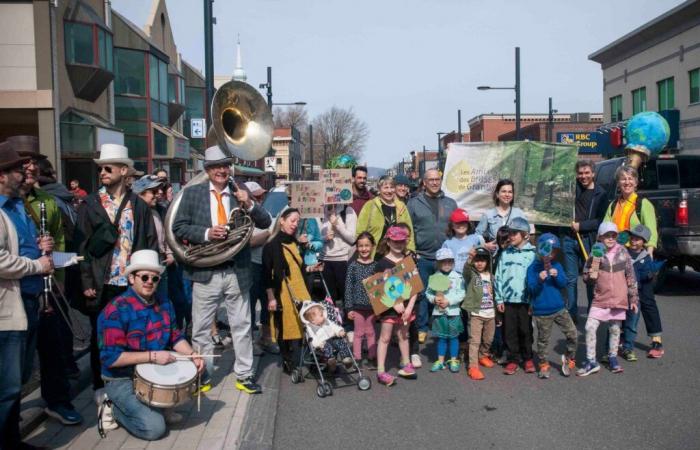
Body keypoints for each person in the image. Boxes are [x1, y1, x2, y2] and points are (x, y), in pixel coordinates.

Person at [172, 146, 270, 395]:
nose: (222, 170)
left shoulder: (241, 192)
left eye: (225, 166)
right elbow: (179, 227)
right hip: (206, 272)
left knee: (242, 325)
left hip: (237, 270)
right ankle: (202, 374)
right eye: (216, 166)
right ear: (207, 169)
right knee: (202, 328)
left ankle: (245, 375)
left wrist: (249, 205)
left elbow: (266, 222)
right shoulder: (192, 193)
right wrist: (206, 233)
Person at [11, 135, 83, 426]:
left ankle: (58, 402)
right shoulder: (7, 202)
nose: (30, 166)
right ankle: (10, 417)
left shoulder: (48, 202)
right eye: (24, 161)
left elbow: (61, 242)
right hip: (13, 291)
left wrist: (60, 278)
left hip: (47, 288)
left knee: (53, 349)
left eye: (34, 161)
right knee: (16, 362)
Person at [75, 143, 158, 393]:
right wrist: (86, 282)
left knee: (135, 334)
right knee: (101, 338)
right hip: (102, 284)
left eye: (108, 168)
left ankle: (135, 386)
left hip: (130, 284)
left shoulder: (139, 205)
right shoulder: (90, 204)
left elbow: (149, 242)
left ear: (124, 171)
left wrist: (149, 278)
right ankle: (101, 391)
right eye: (100, 168)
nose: (102, 172)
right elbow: (81, 246)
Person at [96, 250, 204, 441]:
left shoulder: (164, 302)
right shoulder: (115, 310)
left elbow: (175, 336)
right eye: (144, 276)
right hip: (122, 378)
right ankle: (111, 406)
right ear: (131, 278)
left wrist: (192, 354)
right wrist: (153, 356)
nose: (149, 282)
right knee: (154, 429)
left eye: (155, 278)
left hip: (154, 368)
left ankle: (162, 404)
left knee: (204, 367)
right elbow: (110, 358)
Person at [0, 141, 54, 450]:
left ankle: (12, 440)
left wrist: (41, 247)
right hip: (7, 309)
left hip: (28, 301)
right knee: (6, 386)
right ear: (1, 176)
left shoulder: (19, 205)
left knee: (18, 380)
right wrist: (36, 264)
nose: (23, 174)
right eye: (16, 170)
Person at [578, 222, 639, 376]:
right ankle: (591, 361)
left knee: (615, 329)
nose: (610, 238)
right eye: (607, 236)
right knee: (589, 327)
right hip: (601, 298)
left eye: (613, 235)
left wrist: (633, 299)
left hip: (619, 298)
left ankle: (613, 358)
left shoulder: (623, 252)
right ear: (600, 237)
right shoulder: (596, 252)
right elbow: (586, 277)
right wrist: (592, 272)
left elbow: (631, 277)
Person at [407, 169, 457, 344]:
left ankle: (442, 326)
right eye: (431, 180)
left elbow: (456, 228)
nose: (435, 182)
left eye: (438, 179)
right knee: (421, 294)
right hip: (422, 256)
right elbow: (409, 229)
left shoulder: (451, 203)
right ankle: (422, 328)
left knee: (444, 291)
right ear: (424, 182)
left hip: (445, 258)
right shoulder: (413, 203)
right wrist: (412, 251)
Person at [263, 208, 314, 373]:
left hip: (299, 288)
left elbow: (299, 267)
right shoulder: (271, 245)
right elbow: (266, 274)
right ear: (282, 220)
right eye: (292, 220)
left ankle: (302, 356)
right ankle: (287, 360)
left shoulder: (295, 242)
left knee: (303, 322)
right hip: (282, 290)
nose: (295, 224)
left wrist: (313, 267)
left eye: (297, 221)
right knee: (284, 324)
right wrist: (271, 297)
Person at [526, 233, 578, 379]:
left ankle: (569, 357)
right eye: (547, 249)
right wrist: (539, 279)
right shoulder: (533, 268)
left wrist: (557, 276)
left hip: (559, 308)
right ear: (539, 249)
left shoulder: (557, 265)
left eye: (553, 251)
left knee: (572, 334)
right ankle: (543, 364)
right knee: (543, 341)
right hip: (542, 311)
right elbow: (532, 289)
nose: (550, 254)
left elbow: (563, 284)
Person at [373, 226, 418, 386]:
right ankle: (380, 371)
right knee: (384, 338)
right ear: (388, 241)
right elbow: (377, 290)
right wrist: (395, 303)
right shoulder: (381, 263)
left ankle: (406, 364)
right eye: (395, 241)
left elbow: (415, 287)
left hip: (406, 308)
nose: (398, 244)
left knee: (404, 336)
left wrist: (410, 307)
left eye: (401, 241)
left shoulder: (408, 260)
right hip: (389, 309)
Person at [563, 160, 608, 321]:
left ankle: (592, 313)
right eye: (580, 173)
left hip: (589, 241)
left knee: (591, 277)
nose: (583, 176)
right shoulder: (570, 189)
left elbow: (600, 220)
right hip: (569, 240)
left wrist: (580, 226)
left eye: (587, 173)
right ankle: (572, 313)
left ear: (593, 174)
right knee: (570, 279)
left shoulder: (601, 193)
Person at [494, 217, 536, 375]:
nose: (510, 236)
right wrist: (499, 298)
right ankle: (513, 359)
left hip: (526, 300)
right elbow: (498, 277)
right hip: (508, 300)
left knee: (526, 330)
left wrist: (533, 301)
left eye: (514, 233)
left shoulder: (532, 254)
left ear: (525, 235)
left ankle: (528, 358)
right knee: (509, 331)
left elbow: (536, 280)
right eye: (509, 233)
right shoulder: (505, 254)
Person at [621, 224, 664, 360]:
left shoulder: (646, 257)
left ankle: (656, 341)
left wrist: (651, 274)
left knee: (649, 305)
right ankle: (623, 336)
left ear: (644, 242)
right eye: (632, 238)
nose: (633, 241)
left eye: (638, 239)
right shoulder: (622, 251)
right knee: (623, 308)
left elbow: (653, 268)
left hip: (643, 285)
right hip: (625, 286)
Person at [132, 175, 175, 306]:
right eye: (153, 191)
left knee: (162, 299)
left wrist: (169, 252)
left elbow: (165, 234)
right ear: (140, 194)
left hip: (161, 260)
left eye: (159, 190)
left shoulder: (159, 210)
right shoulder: (133, 213)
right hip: (143, 262)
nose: (158, 194)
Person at [243, 181, 274, 352]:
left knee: (268, 304)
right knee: (250, 306)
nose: (261, 198)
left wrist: (268, 235)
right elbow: (248, 242)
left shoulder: (265, 214)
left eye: (262, 195)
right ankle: (250, 343)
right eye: (257, 196)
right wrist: (267, 234)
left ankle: (266, 338)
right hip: (251, 265)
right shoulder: (244, 217)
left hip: (266, 266)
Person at [603, 165, 658, 258]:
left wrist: (650, 251)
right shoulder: (613, 205)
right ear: (618, 183)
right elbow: (604, 230)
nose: (627, 182)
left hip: (635, 254)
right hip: (614, 253)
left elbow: (651, 230)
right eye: (623, 179)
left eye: (630, 179)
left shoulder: (643, 204)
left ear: (636, 183)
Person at [425, 248, 464, 373]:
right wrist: (433, 299)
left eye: (449, 262)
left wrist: (449, 301)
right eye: (443, 262)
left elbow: (462, 293)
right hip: (439, 312)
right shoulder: (434, 277)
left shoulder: (458, 277)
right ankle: (440, 361)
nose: (446, 264)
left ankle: (453, 359)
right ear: (438, 263)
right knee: (441, 338)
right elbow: (428, 292)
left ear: (453, 262)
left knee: (453, 337)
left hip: (453, 312)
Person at [356, 175, 414, 258]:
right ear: (379, 189)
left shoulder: (401, 207)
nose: (389, 191)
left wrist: (410, 250)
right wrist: (363, 251)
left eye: (392, 187)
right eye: (386, 187)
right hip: (374, 255)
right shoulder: (370, 205)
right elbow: (360, 231)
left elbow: (409, 232)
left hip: (397, 255)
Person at [461, 246, 496, 380]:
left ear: (488, 262)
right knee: (474, 341)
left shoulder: (492, 276)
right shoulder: (472, 275)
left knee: (488, 339)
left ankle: (483, 355)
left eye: (483, 260)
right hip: (476, 314)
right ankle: (473, 367)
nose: (479, 263)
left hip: (491, 314)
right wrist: (470, 258)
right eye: (477, 260)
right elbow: (466, 270)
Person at [344, 232, 377, 367]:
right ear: (357, 248)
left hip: (372, 307)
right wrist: (349, 308)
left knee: (370, 332)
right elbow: (348, 288)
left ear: (373, 246)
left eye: (367, 245)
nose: (364, 249)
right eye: (361, 246)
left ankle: (372, 356)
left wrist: (380, 307)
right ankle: (357, 358)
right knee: (358, 333)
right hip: (357, 306)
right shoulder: (352, 266)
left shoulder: (377, 265)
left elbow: (380, 289)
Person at [320, 202, 357, 325]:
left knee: (346, 295)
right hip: (324, 258)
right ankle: (332, 325)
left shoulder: (348, 211)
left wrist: (337, 224)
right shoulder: (318, 210)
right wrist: (324, 237)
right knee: (329, 297)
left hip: (343, 259)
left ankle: (350, 327)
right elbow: (314, 236)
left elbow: (352, 238)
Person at [475, 179, 527, 252]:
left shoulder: (519, 213)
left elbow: (527, 234)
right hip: (494, 256)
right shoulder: (488, 214)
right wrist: (484, 245)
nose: (507, 194)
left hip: (514, 256)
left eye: (510, 192)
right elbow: (477, 235)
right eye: (504, 191)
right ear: (497, 194)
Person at [299, 302, 352, 372]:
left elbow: (334, 327)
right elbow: (312, 339)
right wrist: (318, 344)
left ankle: (346, 359)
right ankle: (331, 361)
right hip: (322, 344)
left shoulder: (327, 321)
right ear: (313, 320)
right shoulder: (310, 328)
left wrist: (339, 331)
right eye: (321, 315)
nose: (323, 316)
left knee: (341, 342)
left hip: (333, 339)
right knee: (327, 348)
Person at [441, 208, 484, 274]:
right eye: (458, 223)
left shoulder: (476, 239)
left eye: (464, 222)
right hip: (455, 278)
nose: (461, 225)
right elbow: (443, 264)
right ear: (452, 225)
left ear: (468, 224)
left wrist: (487, 247)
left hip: (472, 276)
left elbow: (484, 255)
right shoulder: (448, 243)